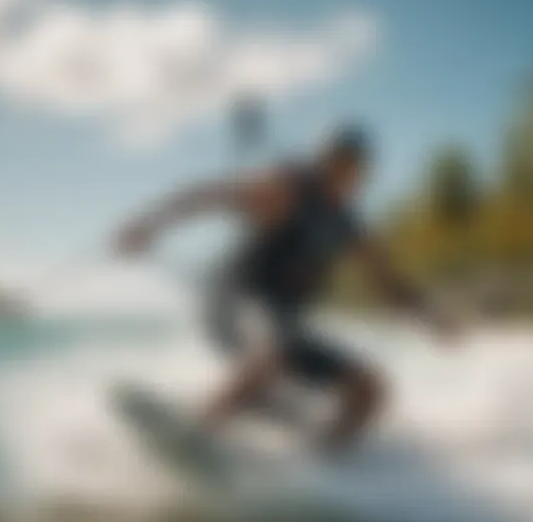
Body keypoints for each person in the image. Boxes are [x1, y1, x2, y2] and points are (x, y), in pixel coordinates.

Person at [114, 124, 456, 452]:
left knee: (369, 389)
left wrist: (429, 316)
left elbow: (390, 285)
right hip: (234, 304)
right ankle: (198, 433)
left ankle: (325, 462)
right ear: (323, 161)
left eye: (352, 167)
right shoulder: (285, 191)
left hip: (284, 326)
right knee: (270, 355)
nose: (343, 174)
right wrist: (149, 225)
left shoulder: (348, 226)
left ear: (361, 172)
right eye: (335, 162)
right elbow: (210, 195)